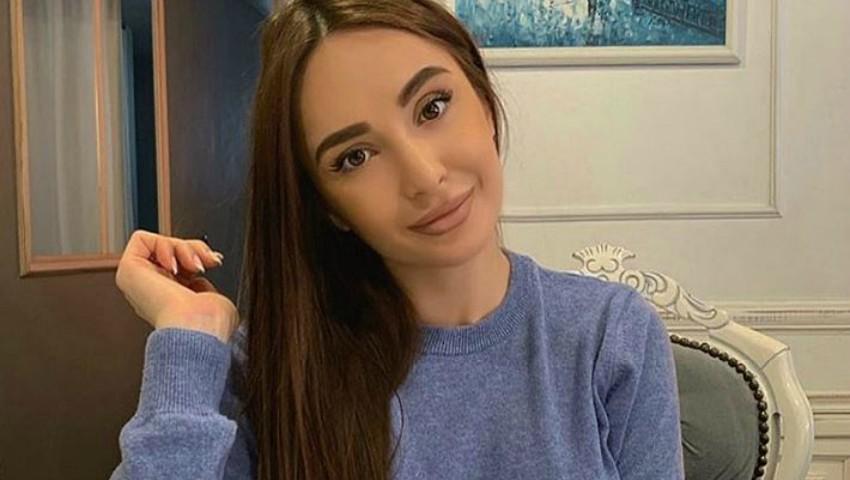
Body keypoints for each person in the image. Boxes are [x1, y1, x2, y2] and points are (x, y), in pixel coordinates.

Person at [109, 0, 685, 479]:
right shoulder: (275, 369)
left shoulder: (610, 337)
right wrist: (189, 333)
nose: (424, 177)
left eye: (433, 107)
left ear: (484, 101)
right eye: (355, 156)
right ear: (327, 206)